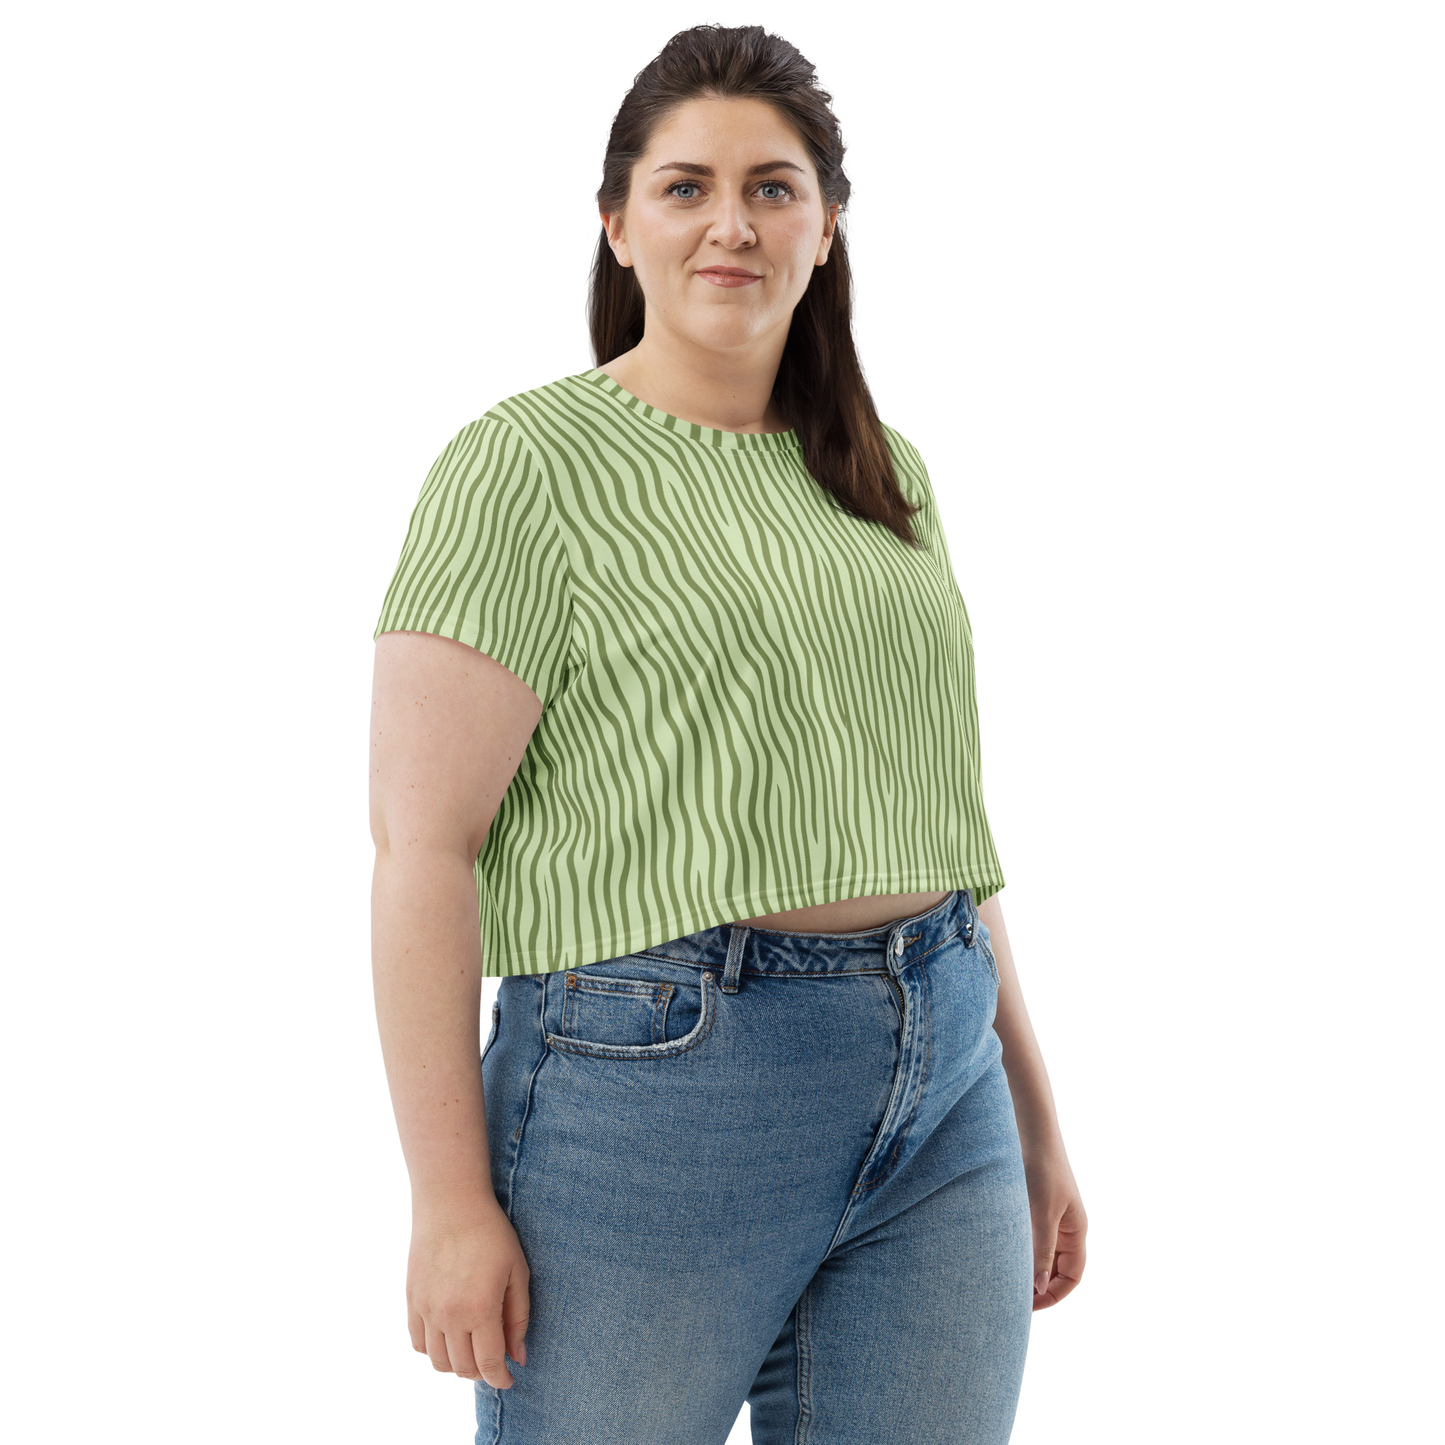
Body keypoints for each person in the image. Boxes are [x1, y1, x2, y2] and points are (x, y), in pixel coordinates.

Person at [369, 23, 1086, 1445]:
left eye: (773, 188)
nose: (733, 224)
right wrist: (447, 1198)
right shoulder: (527, 467)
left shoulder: (881, 474)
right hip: (658, 1100)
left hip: (943, 1090)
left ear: (827, 227)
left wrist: (1035, 1114)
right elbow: (420, 848)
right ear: (617, 225)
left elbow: (945, 822)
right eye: (686, 187)